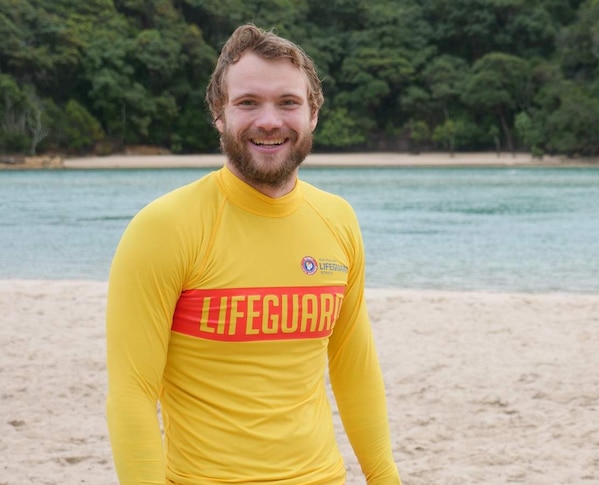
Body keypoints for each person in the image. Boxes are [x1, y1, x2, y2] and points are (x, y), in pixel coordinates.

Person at [105, 23, 402, 485]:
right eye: (247, 103)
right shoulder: (164, 228)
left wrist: (385, 477)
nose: (269, 120)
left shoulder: (337, 220)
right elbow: (132, 393)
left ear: (313, 114)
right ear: (219, 114)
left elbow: (353, 366)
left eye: (288, 102)